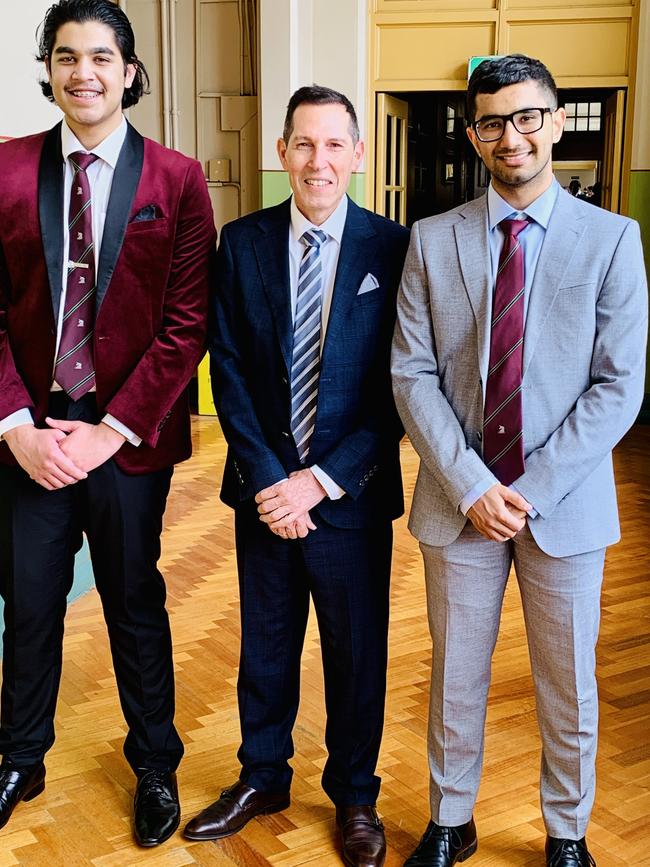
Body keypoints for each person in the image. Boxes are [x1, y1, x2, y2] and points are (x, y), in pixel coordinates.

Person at [391, 54, 647, 867]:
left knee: (566, 685)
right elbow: (411, 370)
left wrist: (526, 492)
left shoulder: (613, 239)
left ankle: (566, 830)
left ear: (556, 121)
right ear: (474, 133)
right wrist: (471, 484)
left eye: (528, 115)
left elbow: (618, 386)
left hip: (562, 505)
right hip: (458, 499)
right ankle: (450, 817)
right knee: (455, 675)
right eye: (494, 120)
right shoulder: (432, 240)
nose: (513, 134)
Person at [0, 0, 215, 847]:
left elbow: (186, 322)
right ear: (47, 69)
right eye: (65, 56)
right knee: (30, 600)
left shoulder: (179, 178)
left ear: (128, 70)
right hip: (30, 435)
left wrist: (112, 429)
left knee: (134, 598)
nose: (82, 71)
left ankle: (155, 762)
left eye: (100, 56)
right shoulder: (8, 170)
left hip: (126, 441)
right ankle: (20, 755)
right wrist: (17, 424)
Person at [183, 85, 409, 867]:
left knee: (356, 653)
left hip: (349, 494)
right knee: (266, 644)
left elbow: (403, 385)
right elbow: (232, 370)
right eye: (303, 145)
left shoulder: (394, 249)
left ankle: (354, 793)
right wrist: (273, 478)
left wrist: (321, 480)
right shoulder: (240, 243)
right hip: (266, 494)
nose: (318, 161)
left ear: (356, 153)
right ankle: (262, 776)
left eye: (333, 145)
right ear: (281, 153)